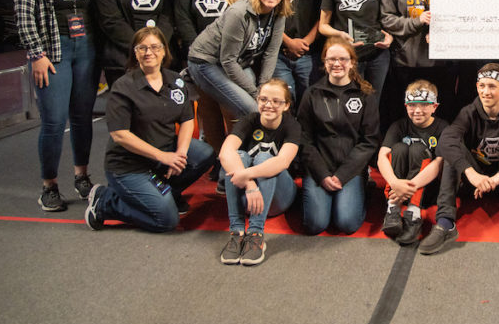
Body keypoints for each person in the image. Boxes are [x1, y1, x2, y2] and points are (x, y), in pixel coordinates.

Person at [84, 27, 215, 232]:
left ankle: (166, 193)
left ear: (164, 51)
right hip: (129, 167)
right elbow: (120, 135)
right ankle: (105, 202)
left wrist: (180, 154)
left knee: (204, 154)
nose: (148, 52)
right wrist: (163, 156)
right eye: (142, 48)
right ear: (135, 54)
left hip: (163, 156)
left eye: (155, 47)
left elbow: (187, 119)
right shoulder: (123, 87)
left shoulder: (175, 81)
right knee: (167, 220)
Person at [13, 0, 99, 211]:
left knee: (82, 117)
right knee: (53, 121)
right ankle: (48, 185)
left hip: (87, 48)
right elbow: (24, 16)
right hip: (53, 51)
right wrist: (36, 54)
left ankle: (82, 176)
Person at [419, 63, 499, 263]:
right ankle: (445, 223)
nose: (486, 92)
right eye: (482, 86)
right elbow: (446, 140)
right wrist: (470, 173)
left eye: (492, 86)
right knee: (452, 148)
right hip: (475, 182)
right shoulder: (469, 112)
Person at [173, 0, 249, 151]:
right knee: (208, 109)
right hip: (201, 60)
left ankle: (233, 157)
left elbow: (246, 20)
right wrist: (198, 53)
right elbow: (183, 19)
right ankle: (218, 157)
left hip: (230, 59)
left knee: (232, 109)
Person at [297, 38, 380, 235]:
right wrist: (322, 174)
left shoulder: (365, 95)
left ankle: (362, 186)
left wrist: (343, 175)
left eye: (343, 59)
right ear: (324, 62)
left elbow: (369, 141)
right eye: (331, 59)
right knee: (316, 224)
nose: (337, 64)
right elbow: (303, 139)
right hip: (319, 167)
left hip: (350, 168)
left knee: (347, 224)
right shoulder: (312, 94)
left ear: (352, 62)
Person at [187, 0, 292, 119]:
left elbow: (271, 54)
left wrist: (264, 89)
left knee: (262, 103)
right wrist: (258, 94)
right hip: (206, 62)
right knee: (253, 110)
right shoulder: (239, 13)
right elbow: (228, 60)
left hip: (238, 61)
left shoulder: (279, 14)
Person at [218, 78, 300, 266]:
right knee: (238, 156)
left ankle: (256, 234)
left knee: (266, 158)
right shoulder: (250, 120)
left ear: (286, 105)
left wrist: (246, 175)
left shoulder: (292, 126)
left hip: (280, 197)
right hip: (250, 196)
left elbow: (282, 162)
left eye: (276, 101)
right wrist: (250, 184)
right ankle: (237, 232)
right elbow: (225, 153)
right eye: (263, 99)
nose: (268, 105)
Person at [380, 0, 456, 115]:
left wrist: (440, 33)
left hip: (438, 62)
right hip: (406, 62)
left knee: (439, 111)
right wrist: (416, 22)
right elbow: (387, 19)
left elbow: (457, 17)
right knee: (406, 111)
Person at [376, 80, 448, 246]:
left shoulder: (443, 127)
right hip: (397, 189)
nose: (417, 110)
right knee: (399, 148)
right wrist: (395, 183)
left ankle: (414, 213)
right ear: (406, 105)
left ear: (434, 107)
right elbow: (382, 156)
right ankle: (392, 208)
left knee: (417, 149)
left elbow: (439, 163)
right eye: (412, 105)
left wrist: (411, 186)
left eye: (423, 105)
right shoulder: (399, 125)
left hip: (426, 189)